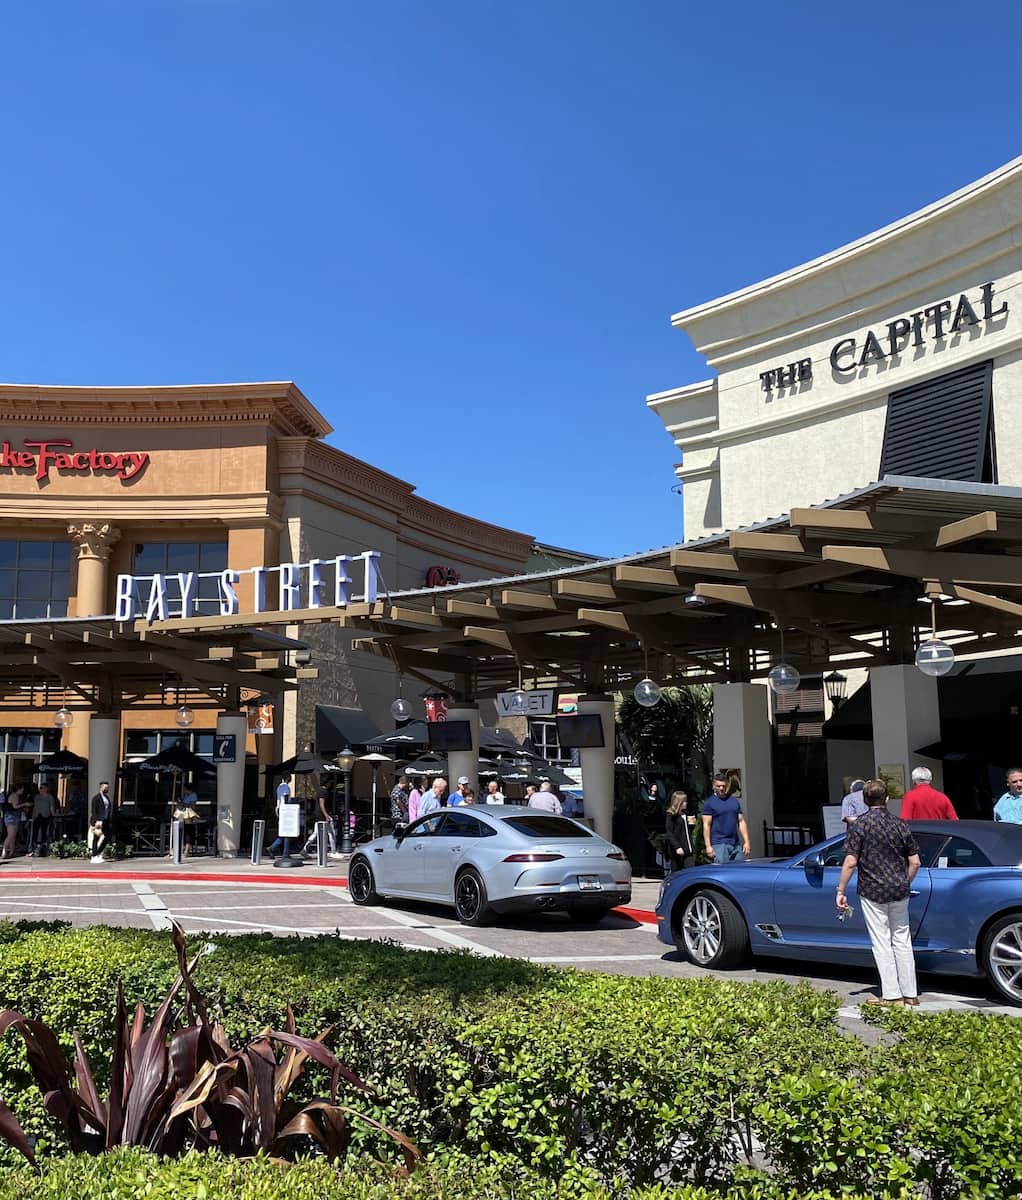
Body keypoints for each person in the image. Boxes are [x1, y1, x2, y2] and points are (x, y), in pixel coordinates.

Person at [836, 779, 921, 1007]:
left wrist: (840, 890)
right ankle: (910, 993)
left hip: (872, 889)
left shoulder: (860, 825)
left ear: (864, 800)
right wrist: (904, 881)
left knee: (881, 941)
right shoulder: (900, 824)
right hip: (899, 889)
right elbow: (915, 862)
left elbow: (850, 862)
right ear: (887, 799)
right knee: (902, 939)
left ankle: (892, 995)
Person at [701, 772, 752, 862]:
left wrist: (747, 842)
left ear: (727, 785)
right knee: (722, 869)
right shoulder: (709, 803)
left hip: (735, 844)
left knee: (738, 868)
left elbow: (741, 821)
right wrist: (708, 846)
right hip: (719, 844)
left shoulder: (734, 801)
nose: (721, 788)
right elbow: (706, 825)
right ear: (713, 786)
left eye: (724, 786)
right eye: (718, 786)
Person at [664, 790, 694, 874]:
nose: (686, 803)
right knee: (676, 872)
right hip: (678, 849)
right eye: (684, 801)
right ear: (678, 802)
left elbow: (686, 832)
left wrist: (691, 824)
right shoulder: (671, 815)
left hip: (688, 848)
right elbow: (669, 832)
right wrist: (677, 847)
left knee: (690, 871)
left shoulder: (685, 814)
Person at [303, 786, 338, 855]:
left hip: (319, 815)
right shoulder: (323, 792)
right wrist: (326, 815)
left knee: (315, 833)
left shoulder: (319, 791)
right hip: (323, 816)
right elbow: (322, 804)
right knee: (331, 833)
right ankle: (333, 851)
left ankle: (304, 849)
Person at [268, 773, 296, 856]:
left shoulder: (279, 786)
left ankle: (275, 849)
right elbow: (286, 798)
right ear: (287, 778)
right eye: (290, 777)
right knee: (287, 832)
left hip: (280, 809)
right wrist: (289, 807)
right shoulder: (285, 787)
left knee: (284, 832)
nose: (291, 779)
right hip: (284, 810)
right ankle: (284, 853)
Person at [89, 780, 113, 864]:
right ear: (101, 787)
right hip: (98, 821)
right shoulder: (96, 798)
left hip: (105, 821)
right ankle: (94, 856)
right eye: (105, 787)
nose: (107, 789)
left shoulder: (107, 797)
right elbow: (94, 811)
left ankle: (98, 852)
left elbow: (108, 809)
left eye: (107, 787)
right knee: (96, 838)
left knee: (108, 836)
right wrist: (97, 821)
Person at [1, 786, 27, 860]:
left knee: (13, 836)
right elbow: (15, 806)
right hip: (12, 817)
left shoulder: (13, 795)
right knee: (11, 835)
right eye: (22, 789)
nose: (23, 791)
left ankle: (11, 852)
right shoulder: (15, 795)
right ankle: (4, 850)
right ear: (19, 789)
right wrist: (24, 804)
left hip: (12, 816)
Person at [31, 782, 56, 853]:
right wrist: (33, 816)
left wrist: (54, 816)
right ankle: (34, 845)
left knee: (44, 831)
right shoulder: (37, 797)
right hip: (37, 816)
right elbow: (35, 807)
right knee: (35, 831)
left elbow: (51, 807)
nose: (40, 789)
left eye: (42, 788)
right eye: (40, 788)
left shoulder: (50, 797)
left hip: (45, 816)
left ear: (46, 789)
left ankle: (43, 846)